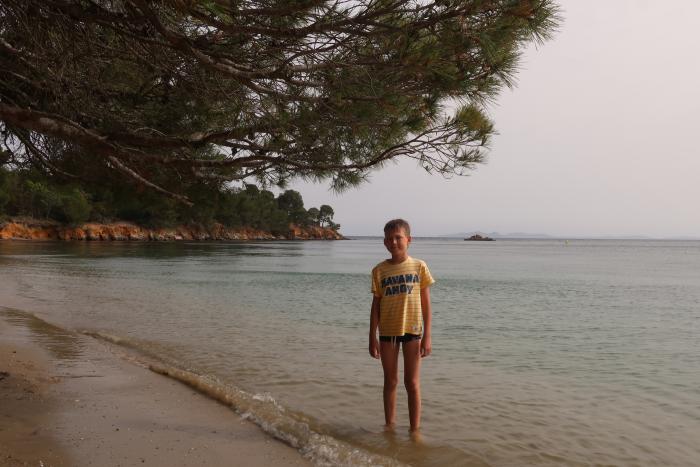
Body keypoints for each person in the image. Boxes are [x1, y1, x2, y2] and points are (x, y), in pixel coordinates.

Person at [369, 218, 435, 433]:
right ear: (384, 242)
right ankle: (389, 427)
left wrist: (427, 336)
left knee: (412, 383)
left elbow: (426, 304)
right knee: (390, 381)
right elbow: (375, 305)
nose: (394, 242)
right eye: (389, 239)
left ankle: (415, 431)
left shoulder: (419, 266)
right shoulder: (379, 270)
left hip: (413, 331)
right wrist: (372, 336)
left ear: (409, 239)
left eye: (398, 237)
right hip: (387, 332)